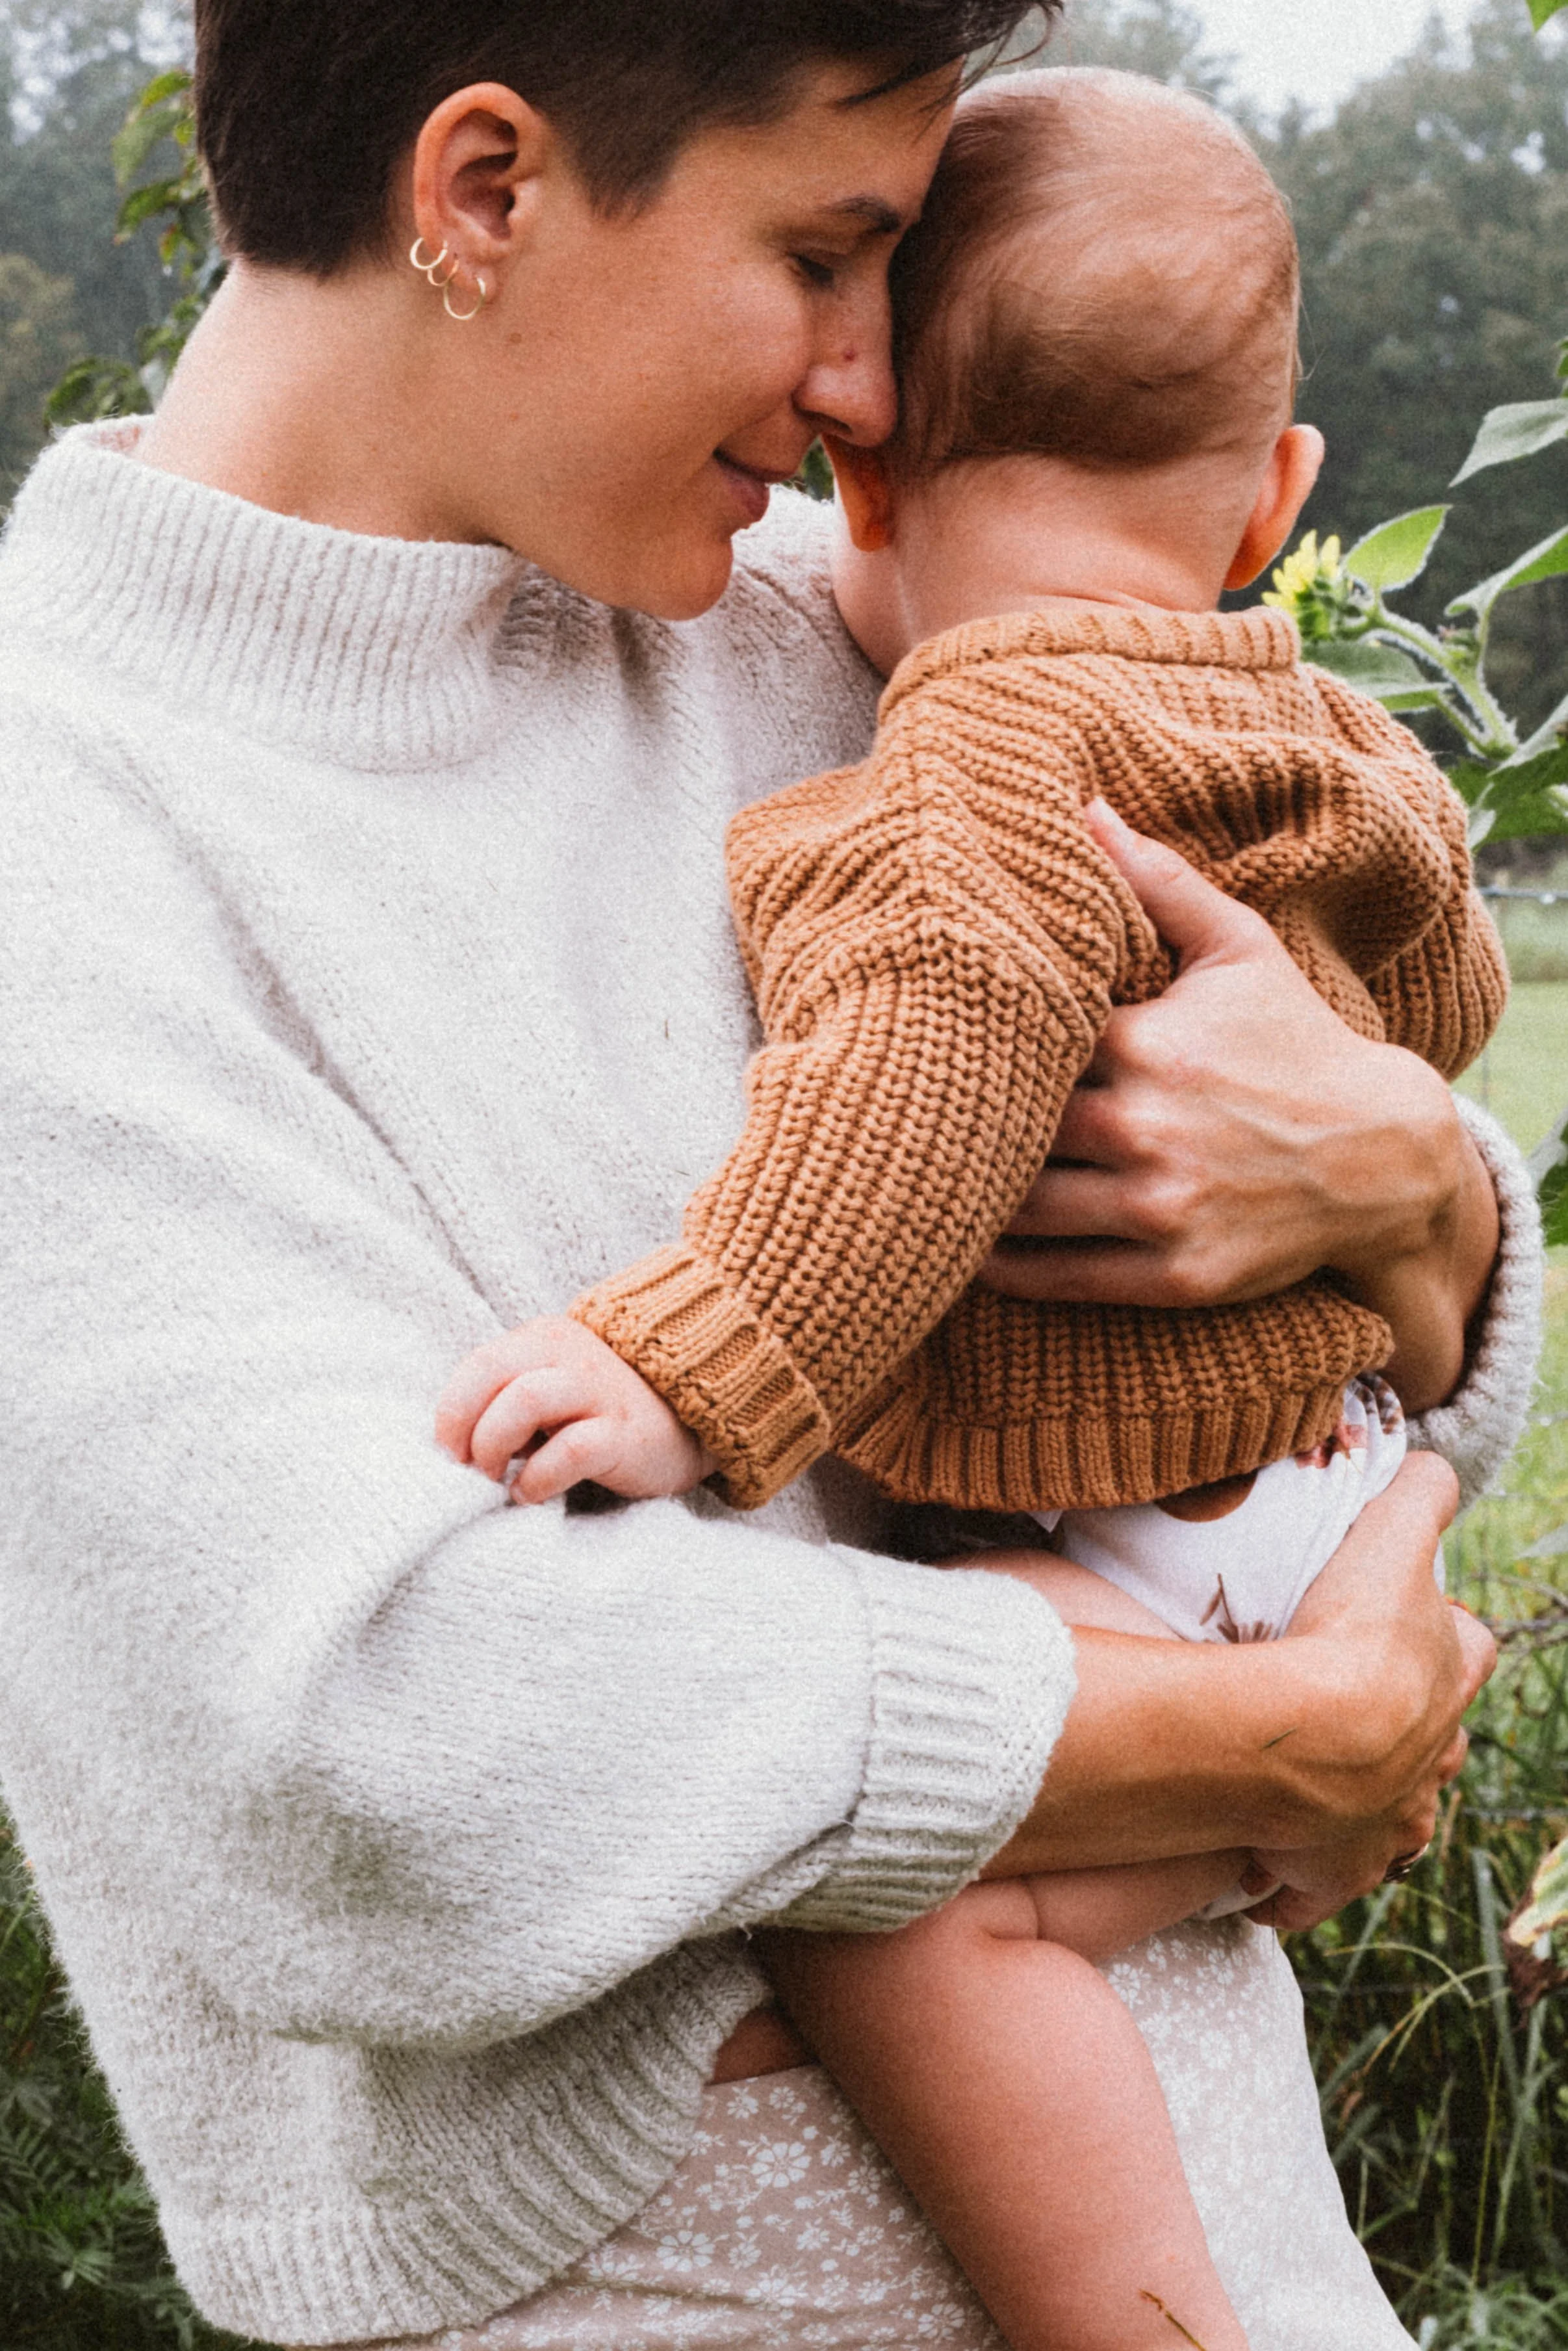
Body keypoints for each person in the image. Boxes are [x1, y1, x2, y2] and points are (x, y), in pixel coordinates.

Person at [0, 3, 1537, 2347]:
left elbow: (1344, 1344)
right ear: (486, 189)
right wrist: (1266, 1737)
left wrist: (1413, 1197)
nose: (865, 388)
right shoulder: (72, 837)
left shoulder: (865, 623)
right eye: (824, 256)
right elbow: (363, 1753)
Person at [430, 71, 1510, 2351]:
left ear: (860, 467)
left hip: (1129, 1535)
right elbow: (1443, 1003)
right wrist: (1388, 1143)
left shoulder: (980, 768)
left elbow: (910, 1095)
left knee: (901, 1913)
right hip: (1322, 1472)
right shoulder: (1331, 736)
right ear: (1276, 499)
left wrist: (686, 1364)